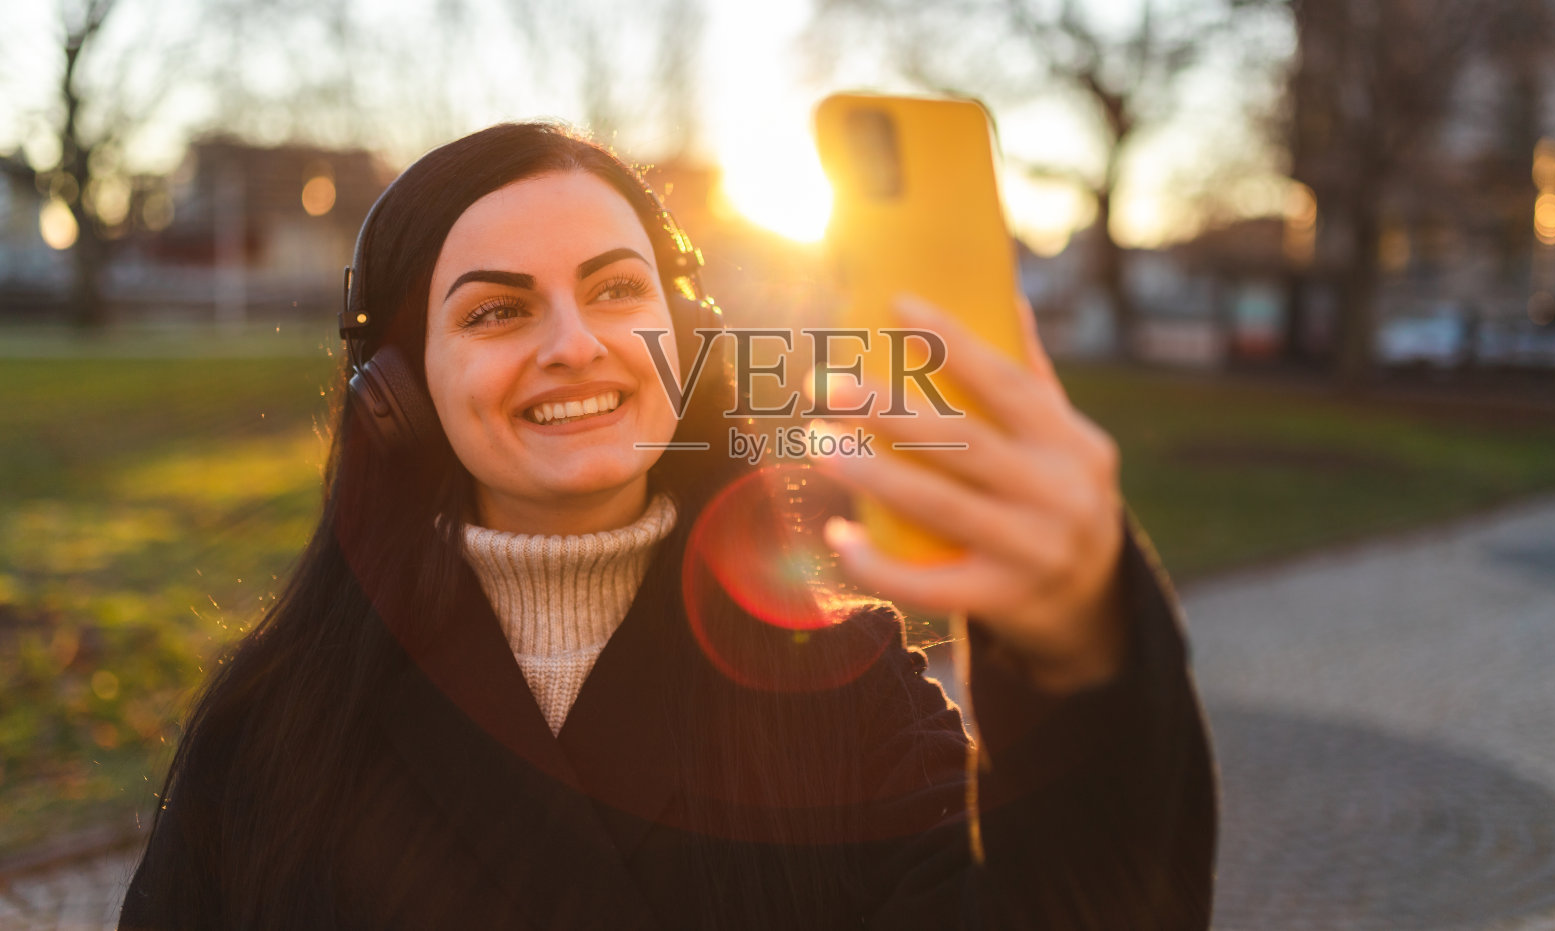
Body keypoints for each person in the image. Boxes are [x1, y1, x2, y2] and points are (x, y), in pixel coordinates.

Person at [119, 121, 1216, 930]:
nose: (575, 344)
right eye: (497, 310)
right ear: (395, 393)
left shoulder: (850, 690)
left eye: (615, 290)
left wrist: (1080, 658)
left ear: (687, 336)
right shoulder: (277, 724)